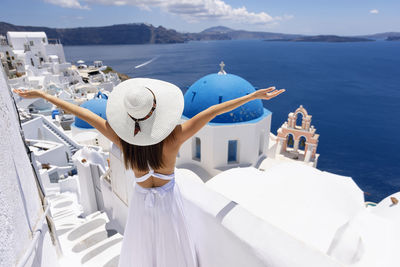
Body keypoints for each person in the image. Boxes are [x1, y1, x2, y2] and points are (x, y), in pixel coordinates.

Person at [14, 78, 284, 267]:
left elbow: (83, 112)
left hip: (142, 205)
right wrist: (253, 96)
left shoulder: (123, 141)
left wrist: (43, 96)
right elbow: (212, 111)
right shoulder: (173, 139)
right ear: (157, 113)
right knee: (173, 253)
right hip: (169, 205)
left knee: (144, 254)